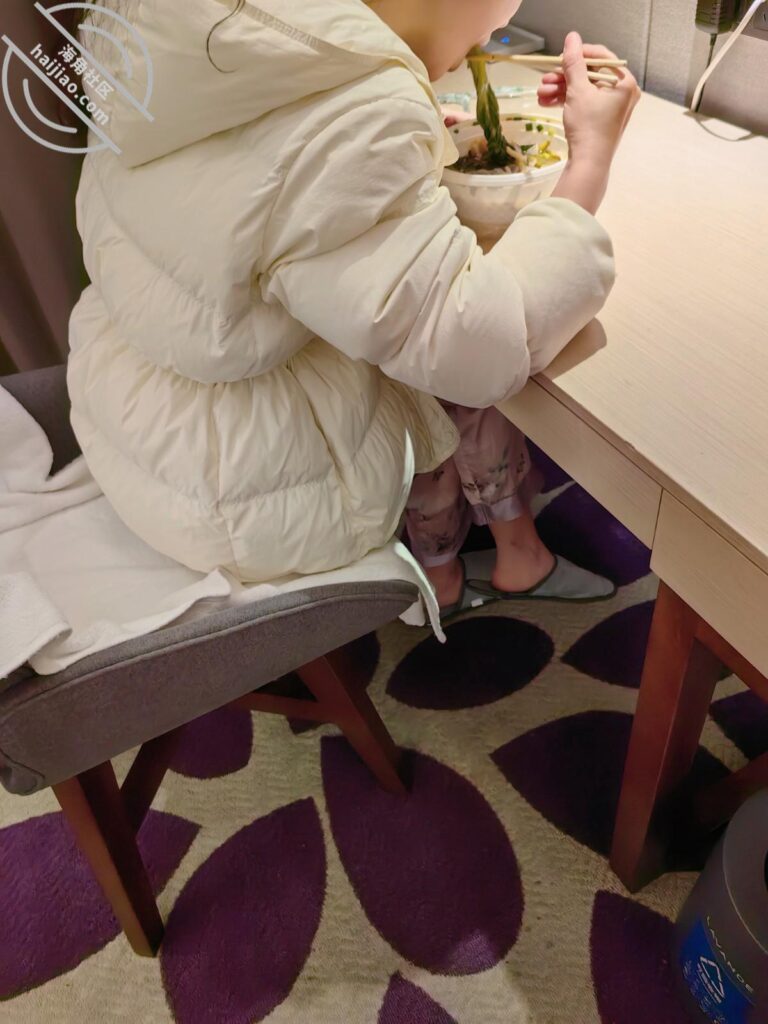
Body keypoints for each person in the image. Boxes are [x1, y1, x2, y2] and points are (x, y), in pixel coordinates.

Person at [67, 0, 640, 621]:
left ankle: (448, 572)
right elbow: (487, 345)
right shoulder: (353, 115)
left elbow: (257, 184)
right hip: (252, 492)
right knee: (449, 372)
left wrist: (401, 142)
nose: (504, 25)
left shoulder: (166, 39)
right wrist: (591, 156)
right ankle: (495, 562)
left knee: (402, 325)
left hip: (143, 430)